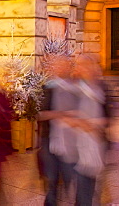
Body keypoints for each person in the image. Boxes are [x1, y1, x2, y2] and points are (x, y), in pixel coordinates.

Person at [69, 55, 110, 206]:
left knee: (91, 185)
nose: (82, 68)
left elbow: (108, 117)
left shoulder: (101, 87)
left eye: (86, 65)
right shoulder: (73, 87)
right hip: (75, 144)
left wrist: (94, 124)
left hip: (96, 142)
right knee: (82, 184)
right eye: (80, 65)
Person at [37, 55, 77, 206]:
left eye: (64, 65)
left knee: (69, 176)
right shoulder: (48, 88)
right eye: (58, 65)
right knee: (52, 177)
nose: (61, 68)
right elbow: (39, 114)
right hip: (49, 139)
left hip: (71, 140)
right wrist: (60, 114)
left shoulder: (76, 88)